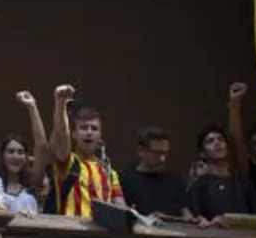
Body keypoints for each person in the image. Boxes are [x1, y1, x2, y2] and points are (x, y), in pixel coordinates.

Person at [190, 82, 256, 225]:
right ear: (203, 153)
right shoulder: (200, 185)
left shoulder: (242, 180)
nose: (217, 143)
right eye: (210, 141)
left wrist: (235, 104)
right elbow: (197, 219)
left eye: (220, 139)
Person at [49, 84, 122, 217]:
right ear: (74, 134)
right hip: (72, 234)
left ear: (100, 136)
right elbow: (61, 135)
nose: (89, 132)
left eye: (94, 129)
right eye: (83, 128)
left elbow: (121, 209)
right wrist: (60, 104)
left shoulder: (110, 173)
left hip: (102, 237)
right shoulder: (68, 162)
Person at [121, 127, 190, 219]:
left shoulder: (174, 181)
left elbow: (186, 215)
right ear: (141, 151)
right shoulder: (125, 179)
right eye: (157, 153)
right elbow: (120, 216)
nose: (163, 159)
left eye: (165, 153)